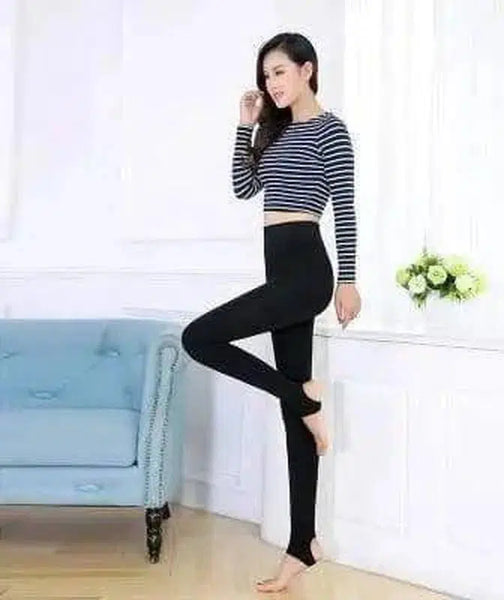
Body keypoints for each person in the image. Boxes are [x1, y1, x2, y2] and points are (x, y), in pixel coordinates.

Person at [181, 31, 361, 593]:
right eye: (265, 75)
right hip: (279, 273)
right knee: (291, 416)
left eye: (279, 72)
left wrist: (349, 281)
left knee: (198, 337)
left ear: (307, 70)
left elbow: (346, 209)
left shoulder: (331, 130)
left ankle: (302, 398)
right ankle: (303, 543)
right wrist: (246, 125)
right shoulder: (274, 130)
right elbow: (243, 188)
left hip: (307, 273)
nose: (271, 83)